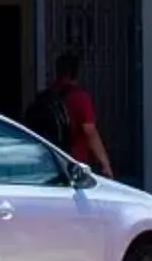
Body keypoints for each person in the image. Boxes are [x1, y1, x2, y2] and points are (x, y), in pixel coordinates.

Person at [24, 50, 114, 178]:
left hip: (47, 162)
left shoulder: (45, 97)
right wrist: (105, 164)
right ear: (76, 72)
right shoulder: (80, 98)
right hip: (73, 165)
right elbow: (89, 130)